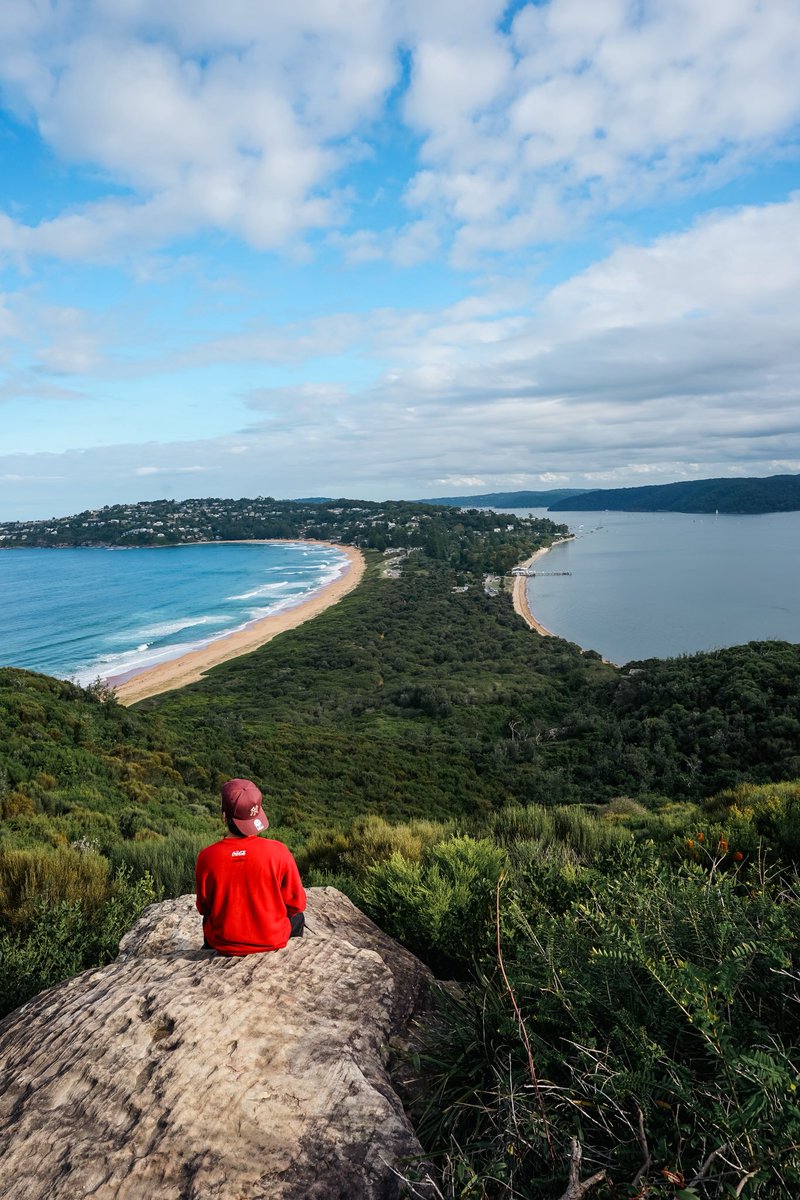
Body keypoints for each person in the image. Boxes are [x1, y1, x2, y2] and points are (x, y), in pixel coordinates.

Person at [195, 778, 306, 956]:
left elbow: (204, 908)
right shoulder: (279, 851)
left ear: (224, 816)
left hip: (224, 944)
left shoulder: (207, 857)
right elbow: (296, 905)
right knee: (299, 918)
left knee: (209, 919)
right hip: (272, 940)